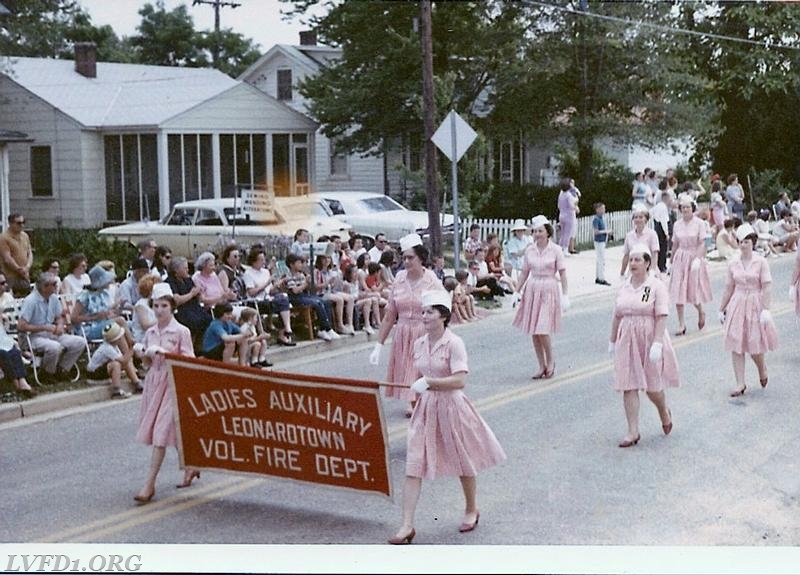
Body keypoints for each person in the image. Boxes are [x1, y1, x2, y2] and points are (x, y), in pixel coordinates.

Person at [387, 290, 506, 545]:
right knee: (414, 464)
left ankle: (471, 508)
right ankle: (407, 525)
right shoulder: (419, 343)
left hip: (452, 407)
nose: (424, 316)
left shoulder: (454, 343)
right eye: (423, 312)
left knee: (462, 461)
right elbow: (418, 377)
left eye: (429, 312)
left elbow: (459, 380)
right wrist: (418, 390)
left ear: (443, 315)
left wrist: (429, 382)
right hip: (426, 409)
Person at [608, 243, 678, 448]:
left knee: (652, 388)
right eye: (631, 259)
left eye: (638, 260)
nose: (633, 263)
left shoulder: (656, 286)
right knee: (628, 385)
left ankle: (663, 410)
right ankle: (633, 431)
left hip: (648, 337)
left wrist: (657, 342)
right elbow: (617, 315)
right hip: (627, 337)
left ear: (647, 263)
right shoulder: (624, 287)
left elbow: (662, 315)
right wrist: (612, 340)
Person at [133, 282, 198, 503]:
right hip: (155, 381)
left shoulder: (181, 331)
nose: (159, 310)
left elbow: (189, 360)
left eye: (163, 306)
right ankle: (190, 465)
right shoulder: (150, 332)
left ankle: (149, 484)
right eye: (156, 305)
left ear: (172, 307)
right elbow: (146, 360)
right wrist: (142, 353)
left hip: (173, 383)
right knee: (169, 428)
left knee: (161, 433)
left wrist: (167, 354)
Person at [369, 233, 445, 417]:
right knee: (408, 371)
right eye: (404, 258)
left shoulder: (431, 280)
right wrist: (378, 345)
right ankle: (415, 404)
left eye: (411, 257)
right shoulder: (399, 279)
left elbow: (443, 308)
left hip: (424, 332)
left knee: (421, 372)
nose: (407, 262)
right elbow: (389, 316)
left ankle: (424, 405)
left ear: (421, 258)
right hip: (403, 331)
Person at [718, 223, 778, 397]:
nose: (743, 245)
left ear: (752, 242)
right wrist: (721, 308)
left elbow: (767, 286)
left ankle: (762, 368)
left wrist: (765, 309)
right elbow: (729, 287)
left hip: (755, 303)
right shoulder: (733, 263)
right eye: (740, 241)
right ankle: (740, 383)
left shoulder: (761, 262)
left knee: (754, 343)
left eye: (746, 241)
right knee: (736, 342)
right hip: (737, 303)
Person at [512, 215, 569, 380]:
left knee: (542, 328)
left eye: (540, 231)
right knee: (534, 330)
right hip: (533, 288)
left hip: (549, 288)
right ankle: (541, 365)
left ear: (547, 232)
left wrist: (565, 295)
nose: (537, 234)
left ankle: (551, 361)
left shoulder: (556, 250)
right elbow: (524, 273)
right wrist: (516, 291)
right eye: (535, 231)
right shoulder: (530, 250)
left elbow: (563, 273)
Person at [19, 272, 85, 383]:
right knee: (54, 347)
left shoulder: (53, 298)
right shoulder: (31, 301)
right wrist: (44, 327)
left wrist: (59, 325)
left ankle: (63, 369)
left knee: (79, 342)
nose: (56, 286)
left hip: (51, 333)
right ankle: (47, 373)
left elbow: (59, 316)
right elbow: (21, 326)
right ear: (45, 287)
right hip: (33, 337)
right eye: (54, 284)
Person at [669, 197, 712, 335]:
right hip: (681, 257)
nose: (685, 210)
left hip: (694, 256)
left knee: (693, 290)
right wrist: (670, 260)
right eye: (683, 207)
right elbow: (675, 243)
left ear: (692, 208)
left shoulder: (700, 223)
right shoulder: (677, 224)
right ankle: (681, 324)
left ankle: (701, 311)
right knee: (678, 291)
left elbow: (704, 242)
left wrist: (698, 259)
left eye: (688, 207)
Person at [242, 249, 295, 346]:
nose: (263, 262)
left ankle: (286, 330)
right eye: (261, 260)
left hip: (267, 298)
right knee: (283, 304)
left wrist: (279, 283)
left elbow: (270, 291)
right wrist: (266, 283)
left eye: (264, 259)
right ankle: (284, 333)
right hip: (256, 301)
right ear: (254, 261)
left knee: (283, 298)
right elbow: (251, 292)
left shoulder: (266, 272)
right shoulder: (248, 274)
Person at [284, 253, 339, 341]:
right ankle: (327, 328)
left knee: (324, 301)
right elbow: (295, 290)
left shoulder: (301, 275)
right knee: (317, 303)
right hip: (296, 298)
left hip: (305, 296)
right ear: (291, 264)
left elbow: (306, 288)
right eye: (298, 263)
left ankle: (324, 328)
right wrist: (306, 283)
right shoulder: (288, 276)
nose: (301, 265)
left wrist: (309, 283)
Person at [166, 256, 211, 350]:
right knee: (194, 322)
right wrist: (192, 294)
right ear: (176, 270)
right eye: (185, 268)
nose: (187, 270)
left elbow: (197, 294)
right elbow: (176, 300)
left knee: (208, 319)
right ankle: (189, 347)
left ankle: (199, 347)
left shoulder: (188, 279)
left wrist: (198, 292)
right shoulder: (170, 281)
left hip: (194, 307)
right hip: (181, 310)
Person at [85, 322, 135, 399]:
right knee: (116, 364)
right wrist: (132, 349)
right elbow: (123, 360)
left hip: (103, 368)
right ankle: (116, 390)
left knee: (123, 362)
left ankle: (136, 382)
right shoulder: (107, 348)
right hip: (94, 373)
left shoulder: (113, 346)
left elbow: (124, 360)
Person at [620, 207, 659, 279]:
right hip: (633, 271)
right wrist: (622, 273)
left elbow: (654, 255)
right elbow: (626, 255)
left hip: (648, 270)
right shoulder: (629, 236)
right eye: (635, 217)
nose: (638, 219)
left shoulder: (652, 234)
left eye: (641, 217)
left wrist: (653, 271)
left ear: (646, 219)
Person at [0, 213, 33, 297]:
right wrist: (19, 269)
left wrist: (27, 267)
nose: (22, 225)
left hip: (24, 275)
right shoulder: (3, 238)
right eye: (18, 223)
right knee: (10, 300)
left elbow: (29, 253)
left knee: (26, 297)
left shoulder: (25, 236)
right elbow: (7, 258)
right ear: (10, 223)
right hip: (10, 276)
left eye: (23, 222)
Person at [130, 275, 158, 344]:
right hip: (143, 338)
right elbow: (145, 326)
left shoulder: (157, 302)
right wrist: (162, 319)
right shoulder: (141, 305)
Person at [557, 178, 579, 254]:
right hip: (569, 216)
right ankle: (565, 249)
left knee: (562, 233)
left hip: (561, 215)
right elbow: (571, 205)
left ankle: (560, 248)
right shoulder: (568, 195)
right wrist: (576, 208)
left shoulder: (561, 194)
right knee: (567, 233)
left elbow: (559, 206)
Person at [592, 202, 611, 286]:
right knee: (601, 260)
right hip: (599, 241)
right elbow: (596, 232)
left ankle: (598, 276)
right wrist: (606, 231)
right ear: (597, 210)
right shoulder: (596, 219)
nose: (604, 210)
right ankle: (601, 278)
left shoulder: (602, 218)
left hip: (602, 241)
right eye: (602, 209)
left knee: (599, 260)